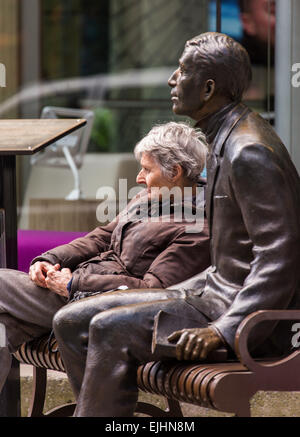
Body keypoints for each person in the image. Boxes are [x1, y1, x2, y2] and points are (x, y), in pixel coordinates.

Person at [52, 31, 300, 417]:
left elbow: (281, 257)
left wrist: (224, 330)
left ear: (208, 88)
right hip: (211, 291)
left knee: (107, 328)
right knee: (71, 320)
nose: (172, 79)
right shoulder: (224, 137)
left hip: (248, 319)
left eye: (182, 71)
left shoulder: (248, 150)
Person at [0, 121, 211, 394]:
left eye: (147, 169)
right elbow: (101, 237)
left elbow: (152, 291)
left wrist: (74, 283)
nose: (138, 177)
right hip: (77, 295)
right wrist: (49, 258)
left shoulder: (196, 228)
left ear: (175, 172)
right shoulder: (149, 199)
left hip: (102, 309)